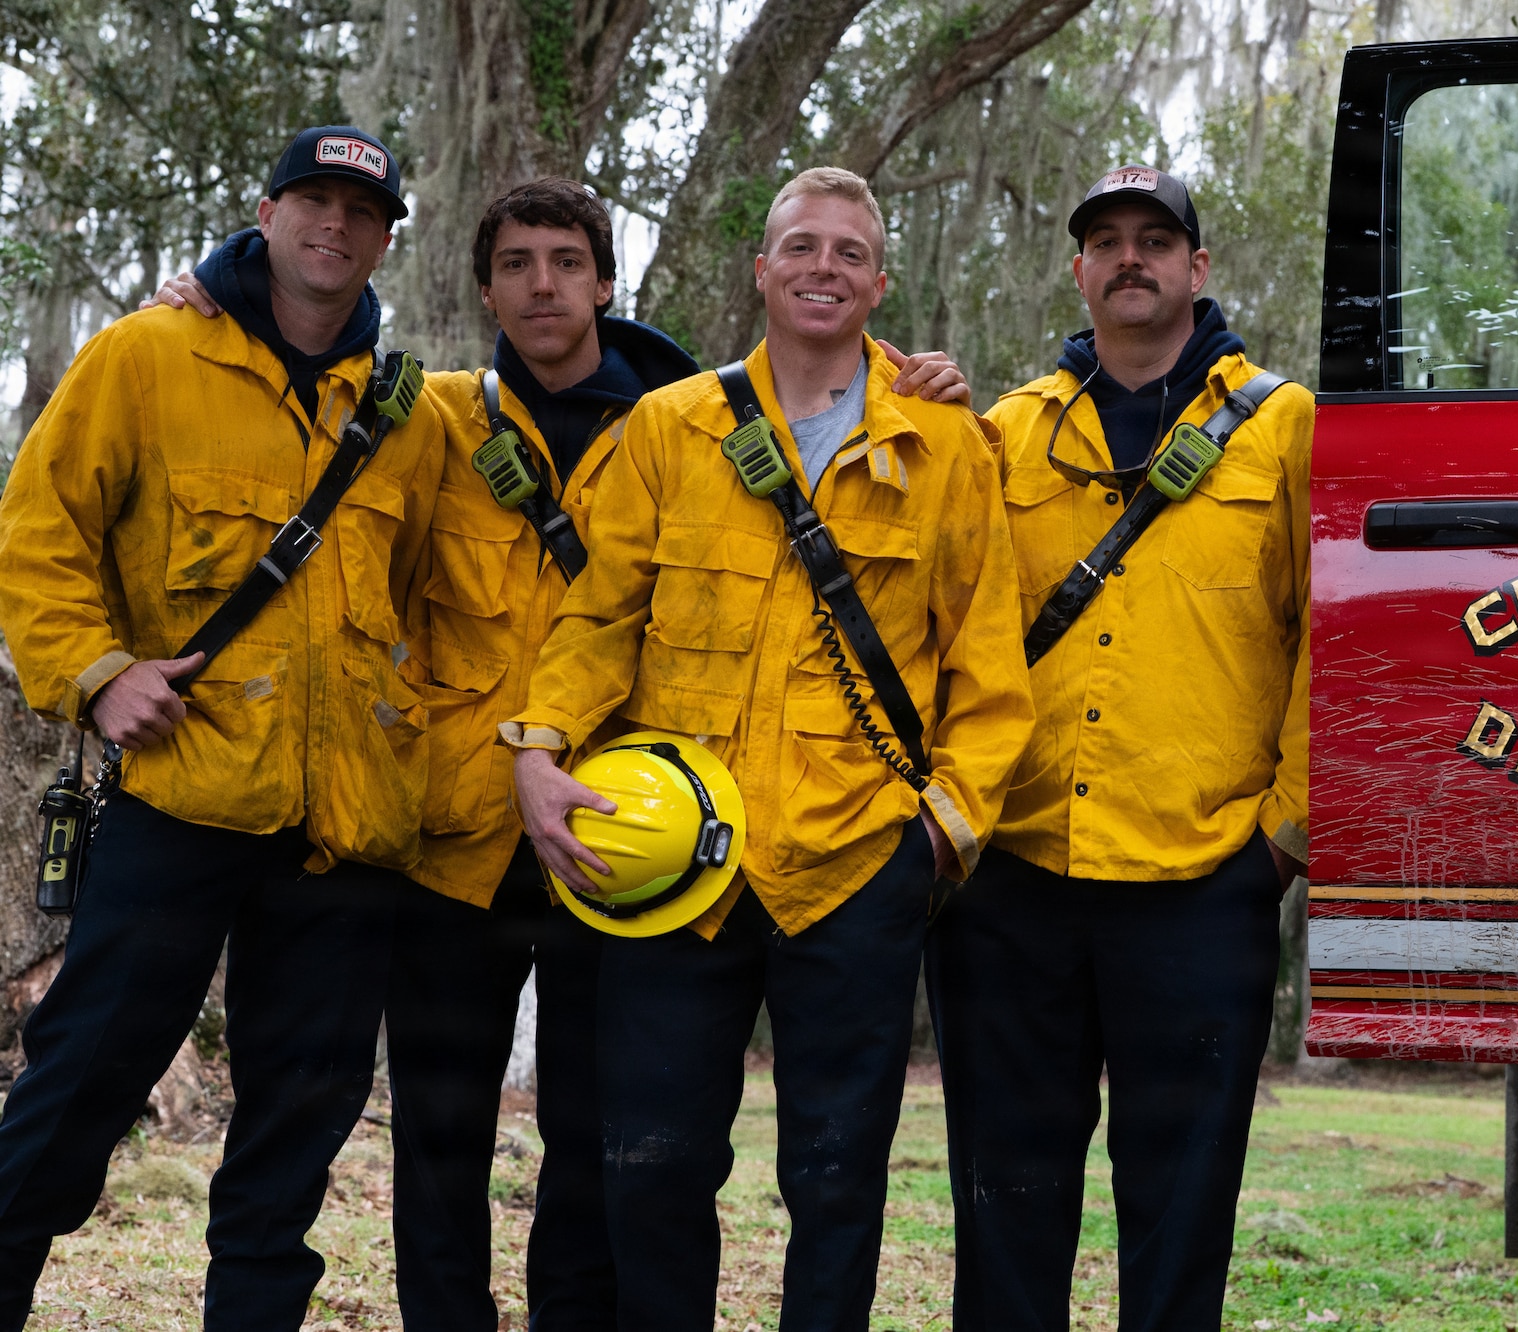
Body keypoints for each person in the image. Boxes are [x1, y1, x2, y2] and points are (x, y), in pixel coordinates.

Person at [150, 175, 972, 1330]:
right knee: (443, 1132)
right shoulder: (429, 414)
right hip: (460, 837)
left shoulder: (690, 418)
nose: (543, 285)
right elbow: (289, 398)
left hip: (628, 843)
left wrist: (941, 822)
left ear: (603, 279)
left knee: (609, 1140)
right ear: (482, 284)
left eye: (567, 262)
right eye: (518, 264)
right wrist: (216, 295)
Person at [506, 165, 1032, 1330]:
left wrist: (936, 835)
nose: (822, 268)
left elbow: (988, 673)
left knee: (835, 1184)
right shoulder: (672, 427)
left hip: (853, 865)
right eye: (801, 245)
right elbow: (598, 621)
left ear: (879, 283)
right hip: (676, 864)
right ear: (761, 269)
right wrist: (538, 752)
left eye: (849, 252)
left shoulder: (944, 449)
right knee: (649, 1167)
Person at [0, 125, 444, 1329]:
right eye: (312, 200)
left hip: (343, 825)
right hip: (175, 794)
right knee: (79, 1085)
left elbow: (587, 396)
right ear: (264, 211)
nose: (334, 226)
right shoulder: (147, 355)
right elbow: (39, 537)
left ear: (385, 237)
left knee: (298, 1127)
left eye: (362, 212)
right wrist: (94, 675)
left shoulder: (410, 411)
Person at [926, 164, 1311, 1331]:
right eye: (1106, 241)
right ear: (1079, 269)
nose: (1129, 257)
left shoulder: (1286, 426)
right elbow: (932, 617)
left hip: (1200, 883)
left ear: (1197, 269)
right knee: (1004, 1195)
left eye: (1156, 239)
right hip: (1014, 879)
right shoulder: (1001, 431)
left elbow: (1330, 643)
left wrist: (1278, 842)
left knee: (1180, 1208)